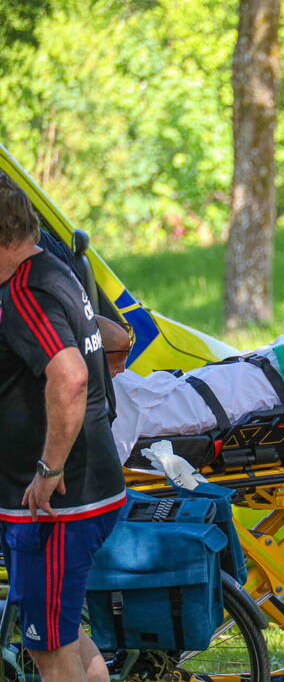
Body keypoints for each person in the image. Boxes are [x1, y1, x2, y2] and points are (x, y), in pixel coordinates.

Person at [0, 171, 126, 682]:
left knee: (49, 652)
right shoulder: (52, 271)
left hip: (58, 504)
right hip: (69, 496)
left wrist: (49, 467)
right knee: (60, 635)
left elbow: (71, 376)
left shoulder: (27, 292)